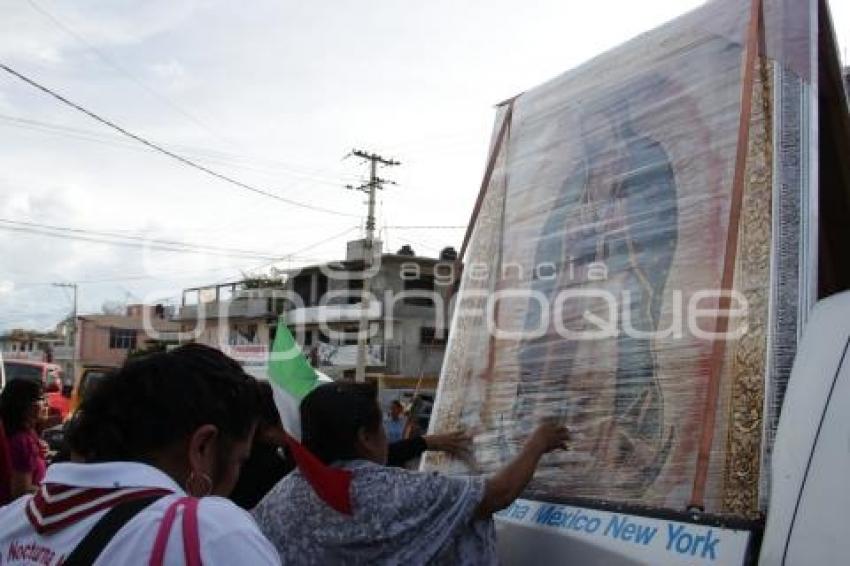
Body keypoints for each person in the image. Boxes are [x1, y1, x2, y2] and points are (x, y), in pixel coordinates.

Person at [0, 344, 280, 565]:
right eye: (240, 460)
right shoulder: (208, 535)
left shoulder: (10, 520)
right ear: (202, 447)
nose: (236, 475)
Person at [253, 382, 568, 564]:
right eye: (381, 427)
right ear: (365, 437)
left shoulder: (279, 499)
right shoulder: (392, 491)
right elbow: (498, 493)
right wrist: (537, 444)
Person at [230, 383, 470, 509]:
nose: (294, 427)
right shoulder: (269, 474)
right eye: (287, 419)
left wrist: (426, 442)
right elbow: (481, 496)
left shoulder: (285, 476)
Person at [0, 379, 48, 500]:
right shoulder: (22, 441)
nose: (46, 404)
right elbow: (21, 491)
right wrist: (50, 491)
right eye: (41, 399)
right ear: (25, 405)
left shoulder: (26, 434)